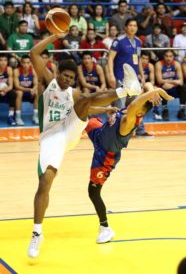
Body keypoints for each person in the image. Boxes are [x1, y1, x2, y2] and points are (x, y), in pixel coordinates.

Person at [27, 31, 140, 259]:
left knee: (84, 101)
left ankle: (126, 90)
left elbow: (86, 108)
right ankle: (37, 233)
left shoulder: (73, 92)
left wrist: (106, 109)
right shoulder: (48, 82)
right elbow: (33, 52)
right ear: (57, 72)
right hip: (51, 137)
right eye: (65, 76)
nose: (68, 80)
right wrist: (55, 36)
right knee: (45, 181)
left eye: (71, 77)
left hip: (70, 130)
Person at [86, 87, 173, 243]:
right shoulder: (130, 110)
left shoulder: (130, 119)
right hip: (100, 135)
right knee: (88, 118)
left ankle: (105, 228)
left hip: (105, 157)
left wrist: (158, 90)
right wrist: (152, 92)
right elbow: (145, 89)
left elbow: (135, 105)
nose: (134, 102)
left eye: (138, 103)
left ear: (139, 112)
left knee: (93, 192)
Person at [155, 50, 186, 120]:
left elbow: (181, 81)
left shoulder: (177, 64)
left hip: (174, 88)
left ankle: (181, 111)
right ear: (163, 56)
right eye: (166, 56)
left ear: (173, 57)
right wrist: (175, 82)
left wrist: (171, 84)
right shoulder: (159, 64)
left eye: (170, 56)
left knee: (184, 87)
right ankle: (165, 111)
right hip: (164, 88)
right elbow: (159, 81)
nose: (168, 58)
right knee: (162, 89)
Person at [14, 55, 38, 125]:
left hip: (30, 92)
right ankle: (18, 117)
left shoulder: (33, 71)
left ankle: (35, 116)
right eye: (24, 63)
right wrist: (29, 90)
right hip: (21, 92)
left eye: (28, 63)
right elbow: (17, 86)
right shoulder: (16, 71)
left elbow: (36, 84)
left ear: (30, 63)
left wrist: (34, 89)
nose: (26, 65)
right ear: (21, 63)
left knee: (37, 92)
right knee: (19, 92)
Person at [0, 53, 16, 125]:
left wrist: (4, 90)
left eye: (5, 60)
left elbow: (11, 86)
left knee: (13, 93)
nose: (3, 62)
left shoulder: (9, 69)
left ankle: (11, 116)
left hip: (5, 91)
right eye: (1, 60)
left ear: (7, 62)